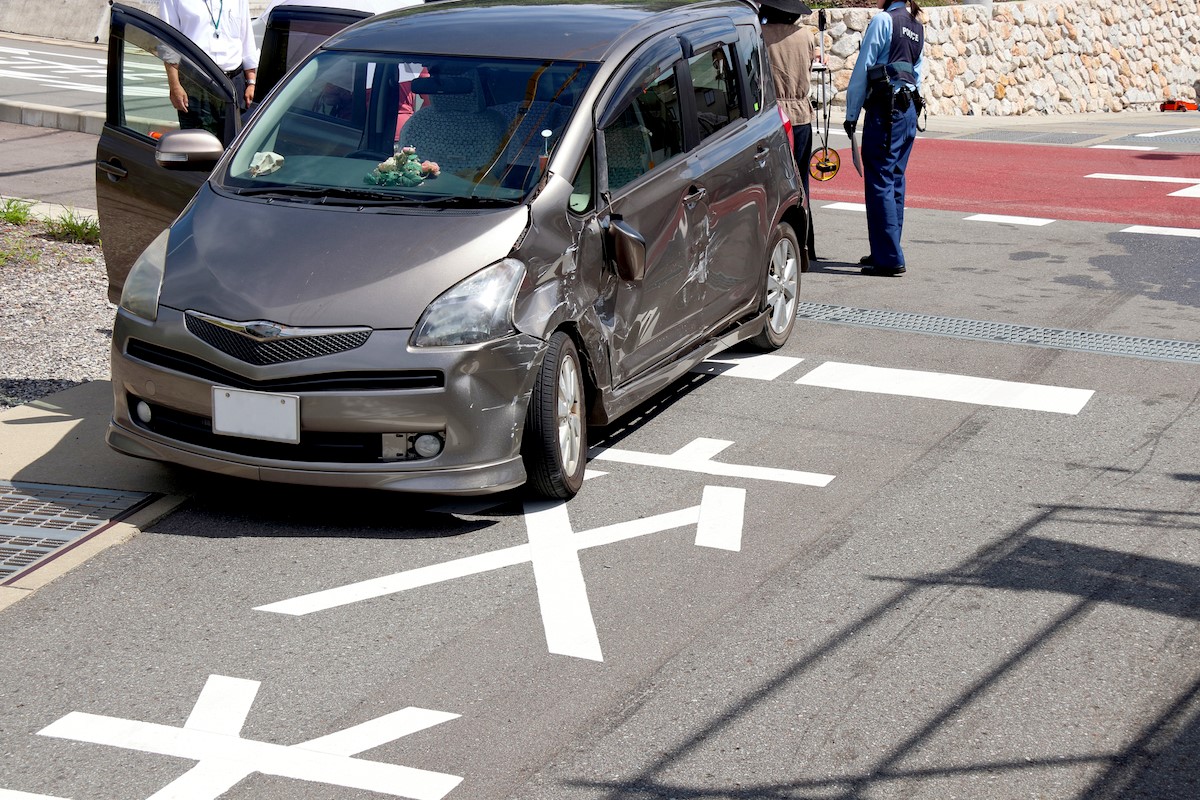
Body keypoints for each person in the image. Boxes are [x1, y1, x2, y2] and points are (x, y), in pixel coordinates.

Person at [843, 0, 925, 277]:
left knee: (879, 179)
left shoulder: (883, 21)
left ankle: (888, 258)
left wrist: (852, 114)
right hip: (909, 109)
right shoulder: (916, 24)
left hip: (886, 109)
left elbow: (862, 69)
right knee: (895, 179)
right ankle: (886, 249)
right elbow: (917, 74)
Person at [761, 0, 820, 260]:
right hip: (801, 115)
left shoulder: (760, 34)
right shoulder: (805, 36)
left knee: (772, 184)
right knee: (802, 181)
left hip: (774, 116)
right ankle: (808, 243)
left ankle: (778, 245)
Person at [159, 0, 259, 136]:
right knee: (198, 144)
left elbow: (247, 38)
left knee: (234, 144)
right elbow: (168, 42)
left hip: (234, 83)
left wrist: (251, 82)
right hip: (196, 82)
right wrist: (174, 85)